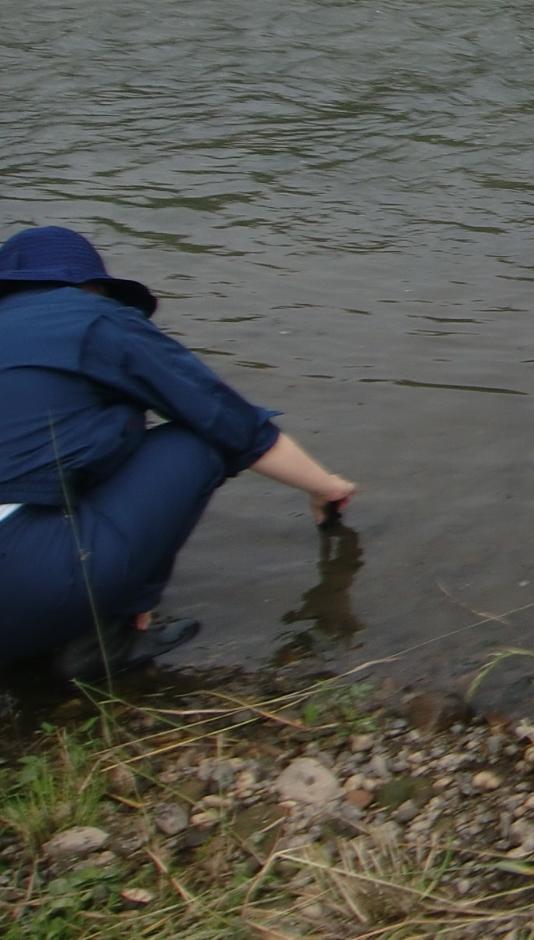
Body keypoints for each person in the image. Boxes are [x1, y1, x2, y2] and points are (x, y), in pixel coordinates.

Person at [0, 226, 357, 680]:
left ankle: (42, 637)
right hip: (28, 579)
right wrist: (325, 486)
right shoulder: (95, 318)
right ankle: (104, 637)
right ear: (94, 287)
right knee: (197, 438)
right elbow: (230, 422)